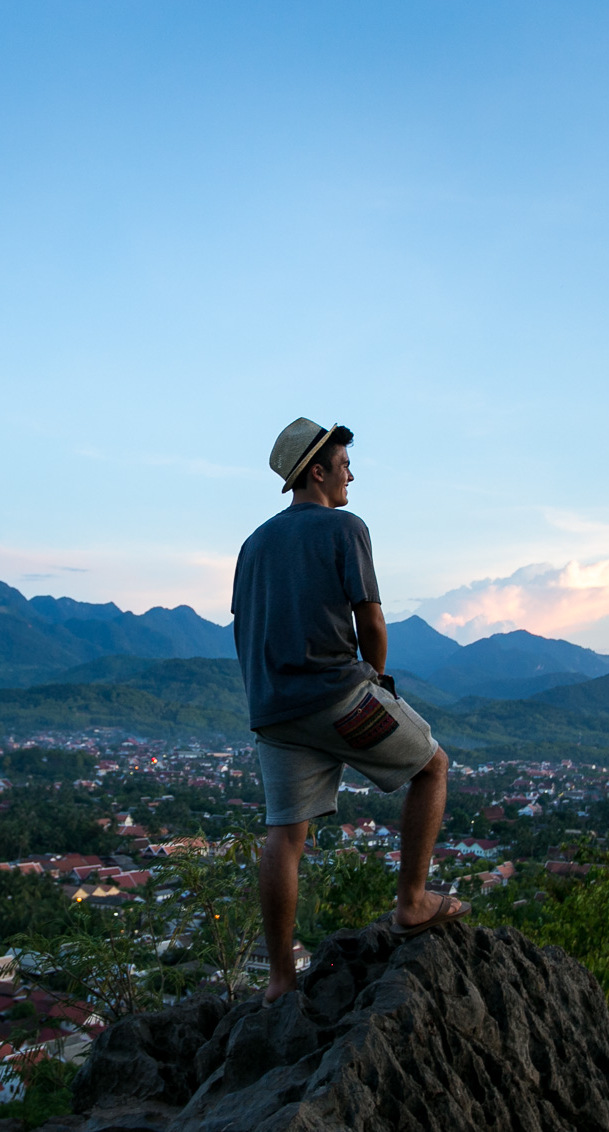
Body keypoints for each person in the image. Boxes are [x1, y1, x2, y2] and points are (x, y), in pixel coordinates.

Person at [231, 417, 470, 1003]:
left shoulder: (253, 545)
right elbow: (371, 620)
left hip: (275, 712)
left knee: (285, 836)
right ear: (317, 471)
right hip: (340, 697)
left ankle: (280, 981)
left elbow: (244, 628)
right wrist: (379, 682)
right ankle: (412, 903)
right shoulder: (345, 528)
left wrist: (268, 696)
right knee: (433, 767)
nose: (350, 477)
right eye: (343, 466)